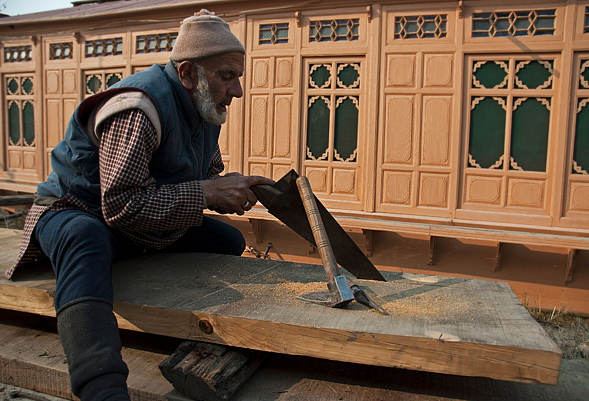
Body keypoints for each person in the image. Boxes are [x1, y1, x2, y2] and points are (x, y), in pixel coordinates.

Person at [4, 10, 274, 400]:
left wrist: (233, 186)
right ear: (187, 74)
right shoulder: (139, 109)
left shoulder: (206, 109)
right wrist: (206, 194)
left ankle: (182, 335)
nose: (237, 91)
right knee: (84, 239)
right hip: (77, 210)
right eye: (226, 76)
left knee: (226, 241)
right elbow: (120, 205)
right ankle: (102, 388)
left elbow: (201, 176)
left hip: (134, 224)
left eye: (238, 77)